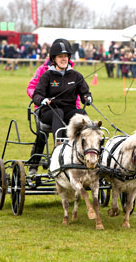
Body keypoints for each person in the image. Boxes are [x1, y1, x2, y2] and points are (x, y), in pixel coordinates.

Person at [30, 39, 92, 175]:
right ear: (54, 59)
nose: (63, 59)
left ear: (69, 58)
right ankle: (58, 148)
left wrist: (87, 97)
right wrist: (43, 100)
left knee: (81, 114)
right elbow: (36, 94)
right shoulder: (47, 75)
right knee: (58, 112)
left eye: (65, 56)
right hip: (48, 111)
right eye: (60, 57)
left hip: (68, 111)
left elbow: (84, 92)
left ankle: (89, 148)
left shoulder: (76, 76)